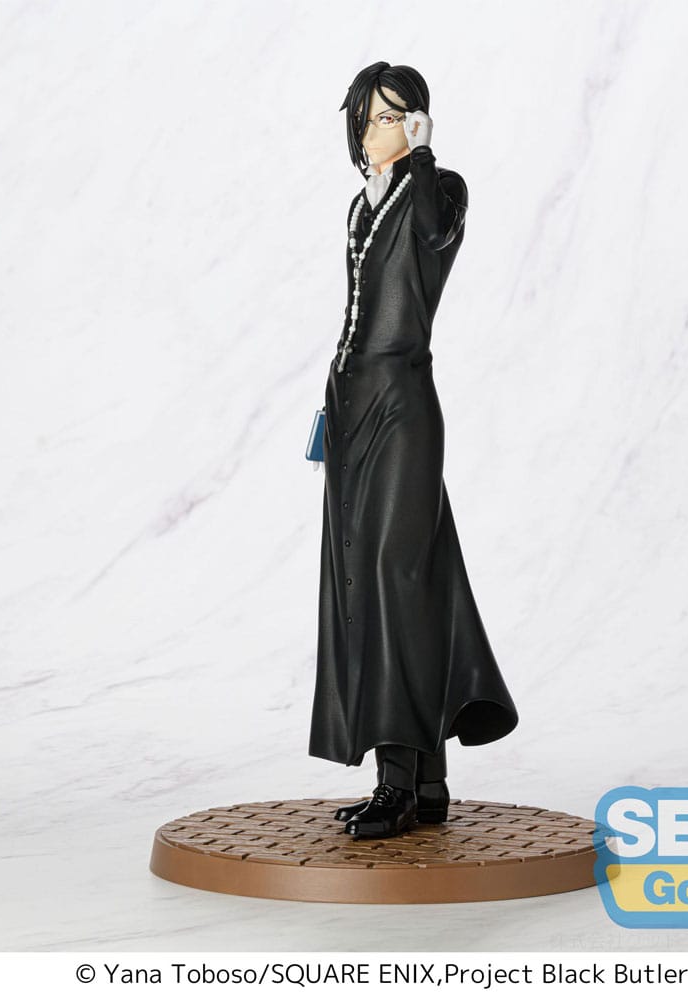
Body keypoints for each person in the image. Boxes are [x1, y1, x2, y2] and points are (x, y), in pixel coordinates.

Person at [308, 62, 519, 840]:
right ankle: (425, 783)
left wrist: (423, 154)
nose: (379, 132)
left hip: (404, 406)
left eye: (394, 117)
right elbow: (357, 310)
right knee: (376, 580)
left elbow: (431, 237)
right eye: (369, 119)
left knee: (394, 580)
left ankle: (396, 785)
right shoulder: (360, 206)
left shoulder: (441, 190)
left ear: (419, 121)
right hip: (352, 406)